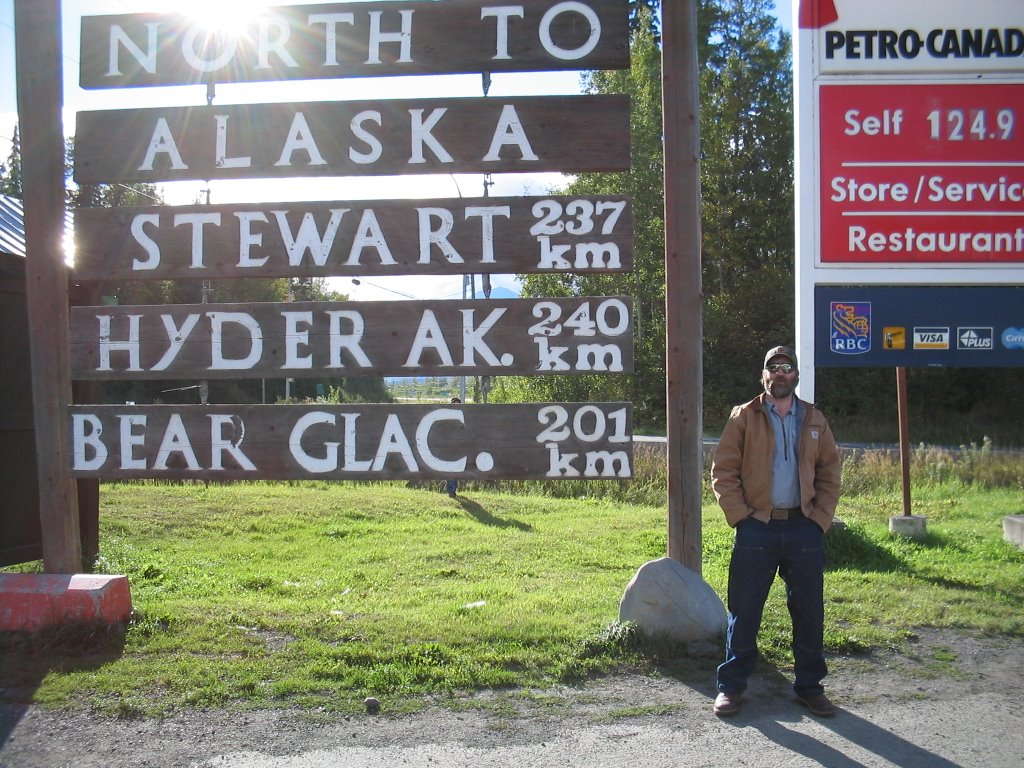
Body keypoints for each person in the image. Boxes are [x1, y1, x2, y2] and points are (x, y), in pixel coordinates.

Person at [710, 345, 841, 718]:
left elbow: (830, 473)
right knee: (744, 610)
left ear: (795, 376)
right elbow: (723, 472)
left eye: (786, 368)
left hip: (804, 529)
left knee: (809, 611)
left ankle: (810, 687)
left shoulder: (814, 418)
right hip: (757, 529)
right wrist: (741, 517)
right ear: (763, 375)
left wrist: (820, 520)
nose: (779, 373)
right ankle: (731, 687)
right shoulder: (744, 417)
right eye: (773, 367)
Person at [445, 397, 462, 497]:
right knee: (450, 470)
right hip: (448, 448)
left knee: (456, 471)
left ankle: (452, 489)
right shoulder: (446, 417)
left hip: (459, 448)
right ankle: (451, 491)